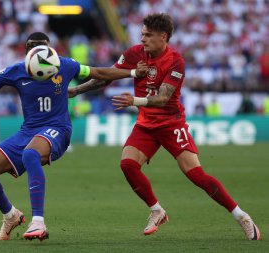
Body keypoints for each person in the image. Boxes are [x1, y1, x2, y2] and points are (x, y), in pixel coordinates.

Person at [0, 32, 146, 242]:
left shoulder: (65, 65)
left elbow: (99, 72)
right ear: (27, 51)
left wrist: (133, 72)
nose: (38, 51)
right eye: (33, 47)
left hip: (58, 130)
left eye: (43, 46)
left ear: (50, 49)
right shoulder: (16, 70)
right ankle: (11, 216)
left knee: (31, 154)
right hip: (28, 131)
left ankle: (38, 222)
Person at [68, 13, 260, 240]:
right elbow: (106, 77)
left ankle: (242, 217)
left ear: (163, 37)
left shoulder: (175, 61)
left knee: (196, 175)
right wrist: (76, 91)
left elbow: (163, 97)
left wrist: (135, 101)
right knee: (128, 164)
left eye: (148, 35)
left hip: (171, 124)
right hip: (146, 125)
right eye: (142, 34)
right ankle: (157, 210)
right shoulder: (134, 54)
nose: (143, 39)